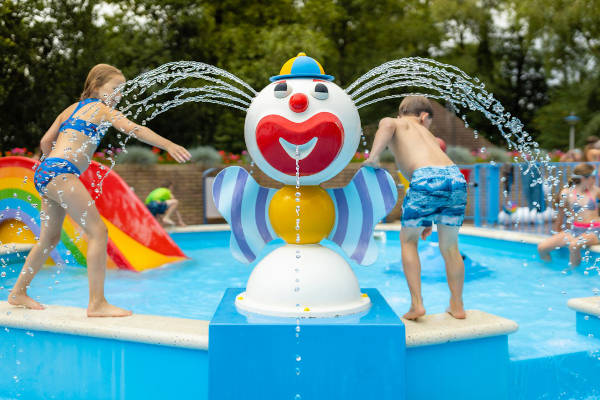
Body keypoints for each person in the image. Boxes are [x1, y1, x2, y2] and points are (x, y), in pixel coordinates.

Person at [8, 64, 191, 317]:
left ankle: (18, 291)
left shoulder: (70, 109)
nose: (119, 95)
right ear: (96, 87)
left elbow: (45, 141)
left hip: (45, 171)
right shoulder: (101, 109)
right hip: (61, 173)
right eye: (115, 88)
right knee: (98, 231)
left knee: (49, 239)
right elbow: (135, 129)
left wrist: (52, 163)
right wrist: (168, 144)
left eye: (122, 90)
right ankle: (97, 304)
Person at [364, 96, 468, 320]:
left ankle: (417, 305)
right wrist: (428, 219)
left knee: (408, 241)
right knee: (450, 247)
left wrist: (374, 158)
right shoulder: (426, 133)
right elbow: (439, 175)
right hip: (456, 178)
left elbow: (387, 125)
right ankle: (457, 306)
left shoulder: (396, 122)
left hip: (424, 179)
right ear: (423, 116)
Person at [538, 163, 600, 267]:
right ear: (584, 178)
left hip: (595, 231)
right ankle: (547, 267)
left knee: (574, 245)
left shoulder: (595, 190)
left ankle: (573, 276)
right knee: (542, 247)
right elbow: (560, 216)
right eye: (592, 177)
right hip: (575, 231)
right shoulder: (566, 193)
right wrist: (557, 233)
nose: (594, 180)